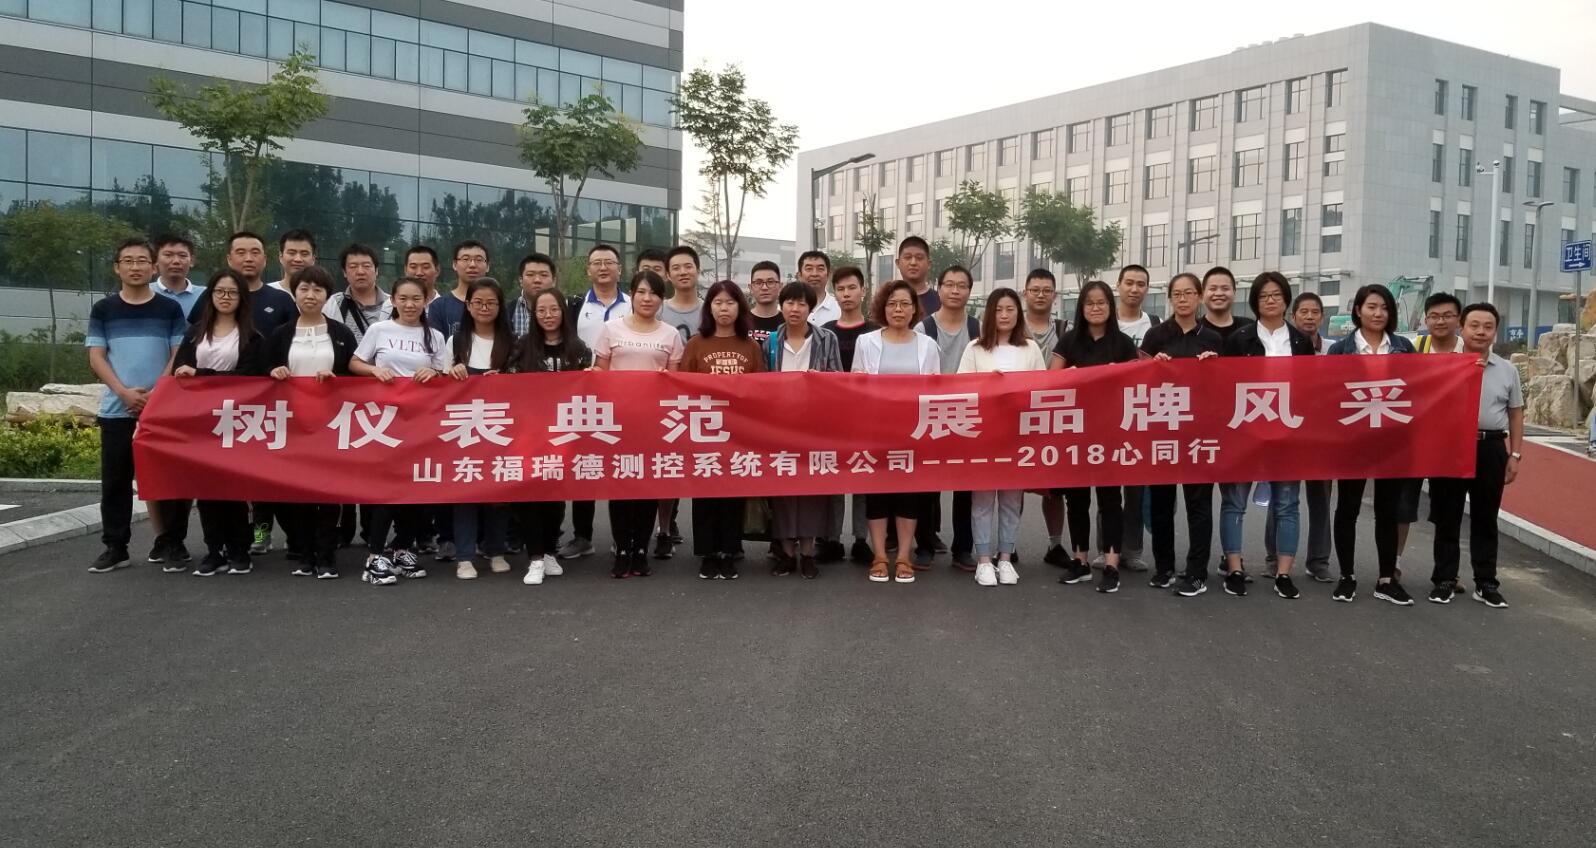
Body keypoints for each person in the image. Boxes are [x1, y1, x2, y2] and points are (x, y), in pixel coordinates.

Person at [85, 238, 189, 574]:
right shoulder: (104, 309)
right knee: (116, 482)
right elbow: (96, 357)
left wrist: (156, 394)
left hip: (162, 410)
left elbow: (177, 354)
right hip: (117, 409)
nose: (135, 267)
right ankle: (116, 547)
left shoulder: (169, 309)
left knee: (170, 480)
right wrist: (124, 393)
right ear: (117, 267)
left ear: (153, 267)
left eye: (142, 260)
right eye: (128, 261)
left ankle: (172, 544)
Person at [1218, 272, 1317, 600]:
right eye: (1263, 296)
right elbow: (1225, 386)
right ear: (1255, 302)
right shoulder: (1239, 339)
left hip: (1288, 433)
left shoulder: (1300, 342)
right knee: (1235, 502)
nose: (1271, 300)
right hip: (1245, 432)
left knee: (1287, 504)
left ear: (1286, 299)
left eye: (1276, 295)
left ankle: (1283, 573)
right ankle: (1235, 568)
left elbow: (1311, 388)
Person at [350, 277, 449, 585]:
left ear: (426, 301)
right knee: (388, 490)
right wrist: (374, 370)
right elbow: (355, 362)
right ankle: (375, 556)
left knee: (418, 490)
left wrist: (433, 372)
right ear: (393, 300)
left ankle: (402, 548)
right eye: (403, 298)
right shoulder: (379, 330)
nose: (409, 304)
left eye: (416, 298)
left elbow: (444, 375)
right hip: (386, 422)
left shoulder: (435, 336)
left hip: (422, 422)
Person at [1327, 283, 1419, 605]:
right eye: (1372, 307)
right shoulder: (1340, 350)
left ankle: (1386, 579)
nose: (1378, 313)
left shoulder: (1404, 347)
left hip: (1393, 440)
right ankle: (1347, 576)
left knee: (1388, 510)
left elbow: (1420, 389)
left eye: (1384, 307)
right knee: (1348, 508)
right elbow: (1329, 394)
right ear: (1358, 311)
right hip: (1353, 439)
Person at [265, 266, 358, 580]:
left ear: (327, 295)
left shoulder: (341, 334)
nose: (310, 295)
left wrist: (337, 378)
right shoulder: (281, 334)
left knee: (329, 494)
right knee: (300, 494)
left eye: (318, 290)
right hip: (293, 426)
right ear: (294, 292)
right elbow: (262, 371)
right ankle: (304, 554)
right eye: (304, 288)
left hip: (332, 426)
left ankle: (327, 555)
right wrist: (274, 371)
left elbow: (356, 376)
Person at [171, 271, 266, 576]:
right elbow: (180, 371)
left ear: (242, 298)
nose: (226, 297)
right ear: (210, 295)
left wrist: (203, 375)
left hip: (236, 421)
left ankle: (239, 549)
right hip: (200, 421)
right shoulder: (195, 332)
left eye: (232, 292)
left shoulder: (252, 336)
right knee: (206, 489)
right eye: (220, 291)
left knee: (236, 488)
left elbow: (250, 377)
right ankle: (214, 550)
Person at [1428, 303, 1522, 608]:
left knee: (1485, 517)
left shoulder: (1507, 370)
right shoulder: (1444, 365)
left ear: (1495, 331)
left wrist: (1515, 454)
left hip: (1491, 447)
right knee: (1448, 516)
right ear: (1462, 328)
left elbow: (1515, 413)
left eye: (1488, 327)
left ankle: (1486, 583)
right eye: (1475, 325)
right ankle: (1444, 580)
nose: (1481, 332)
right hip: (1451, 446)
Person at [592, 270, 684, 578]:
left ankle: (641, 549)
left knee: (647, 484)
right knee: (620, 484)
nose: (647, 299)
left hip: (654, 422)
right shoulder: (611, 329)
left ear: (661, 299)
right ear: (631, 295)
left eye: (654, 293)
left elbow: (675, 380)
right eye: (641, 292)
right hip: (618, 420)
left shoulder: (670, 334)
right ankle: (622, 549)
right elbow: (600, 372)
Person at [1049, 279, 1138, 593]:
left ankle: (1112, 563)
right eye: (1090, 303)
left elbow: (1138, 383)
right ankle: (1080, 560)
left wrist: (1119, 373)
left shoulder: (1123, 343)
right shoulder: (1070, 341)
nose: (1096, 308)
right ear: (1081, 307)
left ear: (1110, 307)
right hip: (1075, 430)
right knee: (1076, 498)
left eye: (1102, 302)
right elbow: (1051, 381)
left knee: (1110, 499)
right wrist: (1071, 376)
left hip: (1111, 430)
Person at [957, 287, 1046, 586]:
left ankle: (1005, 558)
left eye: (1010, 309)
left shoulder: (1030, 349)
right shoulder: (975, 348)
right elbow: (960, 389)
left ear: (1018, 313)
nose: (1005, 315)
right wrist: (987, 384)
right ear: (989, 314)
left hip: (1017, 436)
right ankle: (984, 560)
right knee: (982, 500)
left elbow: (1043, 389)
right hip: (983, 436)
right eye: (998, 309)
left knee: (1011, 499)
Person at [852, 280, 939, 584]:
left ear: (914, 309)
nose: (898, 309)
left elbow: (936, 390)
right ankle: (879, 555)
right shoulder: (866, 341)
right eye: (892, 304)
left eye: (904, 304)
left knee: (908, 495)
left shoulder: (927, 345)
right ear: (882, 308)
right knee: (877, 494)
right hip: (875, 431)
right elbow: (855, 385)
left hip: (913, 433)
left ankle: (903, 556)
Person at [1140, 272, 1222, 595]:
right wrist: (1153, 366)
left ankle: (1197, 572)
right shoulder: (1155, 336)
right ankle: (1164, 568)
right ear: (1170, 298)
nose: (1183, 299)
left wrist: (1216, 365)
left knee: (1198, 505)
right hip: (1162, 428)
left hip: (1198, 432)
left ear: (1199, 297)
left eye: (1189, 293)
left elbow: (1226, 386)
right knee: (1161, 504)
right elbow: (1138, 382)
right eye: (1177, 293)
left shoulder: (1213, 338)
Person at [679, 280, 767, 579]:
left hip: (738, 434)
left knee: (732, 494)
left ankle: (729, 551)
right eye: (718, 303)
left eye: (730, 302)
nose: (724, 308)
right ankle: (707, 553)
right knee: (705, 494)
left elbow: (760, 390)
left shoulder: (750, 346)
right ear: (709, 308)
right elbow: (683, 387)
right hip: (704, 432)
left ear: (740, 307)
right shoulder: (696, 344)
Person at [510, 289, 590, 585]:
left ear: (563, 312)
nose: (548, 315)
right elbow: (509, 385)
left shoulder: (577, 348)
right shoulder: (522, 346)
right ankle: (534, 557)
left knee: (555, 496)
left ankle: (548, 552)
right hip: (529, 433)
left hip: (564, 434)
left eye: (553, 309)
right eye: (541, 310)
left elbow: (588, 385)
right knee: (530, 495)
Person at [226, 231, 298, 555]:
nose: (248, 258)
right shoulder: (220, 295)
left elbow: (292, 343)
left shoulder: (280, 300)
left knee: (276, 471)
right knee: (242, 474)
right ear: (229, 258)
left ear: (266, 259)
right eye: (240, 252)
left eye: (254, 252)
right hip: (229, 402)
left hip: (275, 398)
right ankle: (249, 534)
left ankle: (286, 535)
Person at [558, 244, 631, 561]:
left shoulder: (634, 303)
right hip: (584, 397)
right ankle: (582, 536)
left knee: (623, 466)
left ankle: (622, 536)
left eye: (609, 262)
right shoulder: (574, 305)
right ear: (588, 269)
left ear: (620, 269)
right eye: (597, 263)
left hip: (626, 398)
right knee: (584, 467)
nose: (603, 268)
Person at [768, 282, 843, 579]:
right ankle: (787, 553)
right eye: (789, 303)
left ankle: (808, 553)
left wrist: (821, 381)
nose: (795, 309)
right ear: (781, 306)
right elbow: (761, 382)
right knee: (783, 489)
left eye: (801, 304)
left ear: (810, 308)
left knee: (812, 490)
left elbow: (838, 380)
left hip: (815, 427)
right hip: (779, 427)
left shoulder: (827, 339)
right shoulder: (771, 341)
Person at [1393, 292, 1468, 575]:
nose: (1441, 321)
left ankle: (1448, 572)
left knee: (1447, 511)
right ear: (1425, 320)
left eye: (1447, 316)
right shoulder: (1415, 348)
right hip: (1414, 442)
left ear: (1458, 320)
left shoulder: (1469, 352)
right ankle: (1394, 563)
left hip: (1451, 444)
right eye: (1434, 316)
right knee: (1403, 507)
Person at [446, 279, 516, 581]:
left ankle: (496, 550)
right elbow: (440, 383)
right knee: (466, 491)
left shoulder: (512, 341)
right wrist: (452, 371)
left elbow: (524, 383)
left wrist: (506, 379)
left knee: (498, 491)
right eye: (478, 302)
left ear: (500, 307)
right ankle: (464, 556)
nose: (484, 308)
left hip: (501, 426)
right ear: (468, 305)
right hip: (465, 427)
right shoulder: (456, 341)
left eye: (491, 303)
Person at [1264, 292, 1335, 584]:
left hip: (1322, 436)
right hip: (1286, 433)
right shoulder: (1281, 346)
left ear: (1322, 317)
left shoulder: (1333, 350)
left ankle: (1318, 561)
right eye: (1303, 312)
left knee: (1321, 500)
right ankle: (1273, 558)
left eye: (1315, 312)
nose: (1309, 317)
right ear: (1293, 316)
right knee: (1281, 498)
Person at [916, 265, 981, 571]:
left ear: (969, 291)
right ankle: (925, 545)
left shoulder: (979, 328)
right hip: (931, 413)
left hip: (969, 414)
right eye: (949, 285)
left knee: (966, 486)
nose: (955, 291)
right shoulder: (923, 328)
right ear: (938, 289)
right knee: (926, 484)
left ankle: (963, 549)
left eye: (962, 285)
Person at [823, 266, 879, 564]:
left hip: (866, 415)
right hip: (831, 417)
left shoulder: (875, 332)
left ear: (863, 291)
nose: (846, 294)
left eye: (852, 288)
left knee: (862, 476)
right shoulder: (825, 331)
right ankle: (830, 539)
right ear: (835, 294)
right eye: (841, 289)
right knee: (831, 476)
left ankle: (861, 539)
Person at [1110, 264, 1161, 572]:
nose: (1134, 289)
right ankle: (1108, 548)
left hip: (1143, 415)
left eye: (1140, 284)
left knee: (1136, 489)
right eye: (1128, 282)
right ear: (1118, 285)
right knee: (1107, 488)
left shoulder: (1155, 325)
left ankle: (1132, 549)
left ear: (1147, 289)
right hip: (1108, 415)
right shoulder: (1105, 322)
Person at [1022, 268, 1070, 566]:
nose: (1040, 295)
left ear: (1055, 295)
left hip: (1054, 416)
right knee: (1011, 484)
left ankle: (1055, 545)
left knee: (1055, 488)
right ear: (1024, 293)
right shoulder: (1010, 326)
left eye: (1046, 290)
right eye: (1035, 289)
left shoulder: (1066, 329)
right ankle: (1007, 544)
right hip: (1016, 415)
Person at [323, 243, 392, 345]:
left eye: (366, 266)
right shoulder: (332, 304)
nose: (360, 272)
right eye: (353, 266)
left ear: (376, 270)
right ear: (344, 272)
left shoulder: (394, 304)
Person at [428, 240, 490, 339]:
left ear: (488, 266)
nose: (472, 264)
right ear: (454, 264)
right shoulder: (439, 306)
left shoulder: (496, 306)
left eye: (479, 260)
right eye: (465, 259)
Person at [151, 233, 204, 320]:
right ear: (156, 259)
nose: (176, 261)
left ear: (192, 261)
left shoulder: (205, 295)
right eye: (168, 255)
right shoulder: (144, 292)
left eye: (182, 256)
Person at [1198, 266, 1254, 345]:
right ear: (1203, 294)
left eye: (1225, 288)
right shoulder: (1194, 329)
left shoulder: (1250, 328)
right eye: (1213, 289)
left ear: (1234, 293)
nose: (1219, 293)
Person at [508, 252, 558, 338]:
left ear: (554, 281)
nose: (537, 280)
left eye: (543, 275)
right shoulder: (506, 311)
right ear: (521, 280)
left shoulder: (568, 310)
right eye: (530, 275)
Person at [660, 246, 704, 338]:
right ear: (668, 275)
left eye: (688, 267)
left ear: (698, 271)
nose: (683, 272)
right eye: (676, 268)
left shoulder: (710, 310)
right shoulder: (658, 311)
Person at [896, 236, 938, 315]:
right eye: (908, 257)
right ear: (898, 263)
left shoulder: (941, 301)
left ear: (929, 264)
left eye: (919, 258)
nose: (913, 263)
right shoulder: (886, 299)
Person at [747, 260, 784, 346]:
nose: (764, 287)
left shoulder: (789, 323)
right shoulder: (740, 321)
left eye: (770, 282)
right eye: (758, 282)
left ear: (780, 286)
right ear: (751, 288)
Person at [268, 229, 317, 293]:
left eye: (304, 254)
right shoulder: (267, 293)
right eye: (292, 253)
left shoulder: (325, 296)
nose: (298, 259)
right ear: (280, 257)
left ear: (313, 259)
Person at [799, 250, 840, 326]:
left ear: (829, 274)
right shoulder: (788, 308)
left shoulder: (840, 308)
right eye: (809, 269)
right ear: (799, 275)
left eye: (820, 269)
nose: (814, 274)